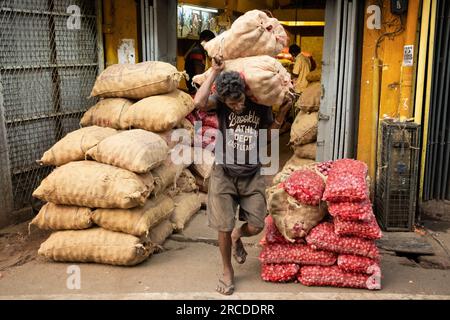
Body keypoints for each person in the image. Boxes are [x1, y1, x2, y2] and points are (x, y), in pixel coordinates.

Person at [193, 56, 293, 295]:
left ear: (244, 94)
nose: (237, 106)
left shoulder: (260, 102)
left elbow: (268, 136)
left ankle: (239, 235)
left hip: (252, 173)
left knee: (257, 224)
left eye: (239, 100)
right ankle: (227, 270)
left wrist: (283, 114)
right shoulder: (219, 103)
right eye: (231, 103)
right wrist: (215, 72)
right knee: (223, 225)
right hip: (224, 173)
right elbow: (199, 102)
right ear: (223, 100)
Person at [184, 30, 216, 94]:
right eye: (209, 40)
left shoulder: (203, 51)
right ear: (202, 40)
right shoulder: (197, 52)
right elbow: (199, 76)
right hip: (195, 89)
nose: (211, 43)